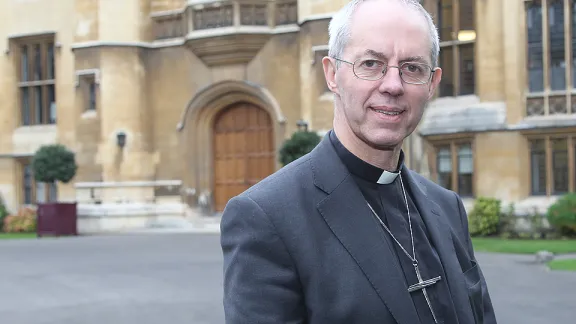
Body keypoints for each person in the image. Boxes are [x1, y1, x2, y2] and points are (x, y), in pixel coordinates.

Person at [220, 0, 498, 323]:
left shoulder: (447, 208)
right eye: (370, 63)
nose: (393, 85)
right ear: (332, 74)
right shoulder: (267, 218)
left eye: (412, 68)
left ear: (432, 84)